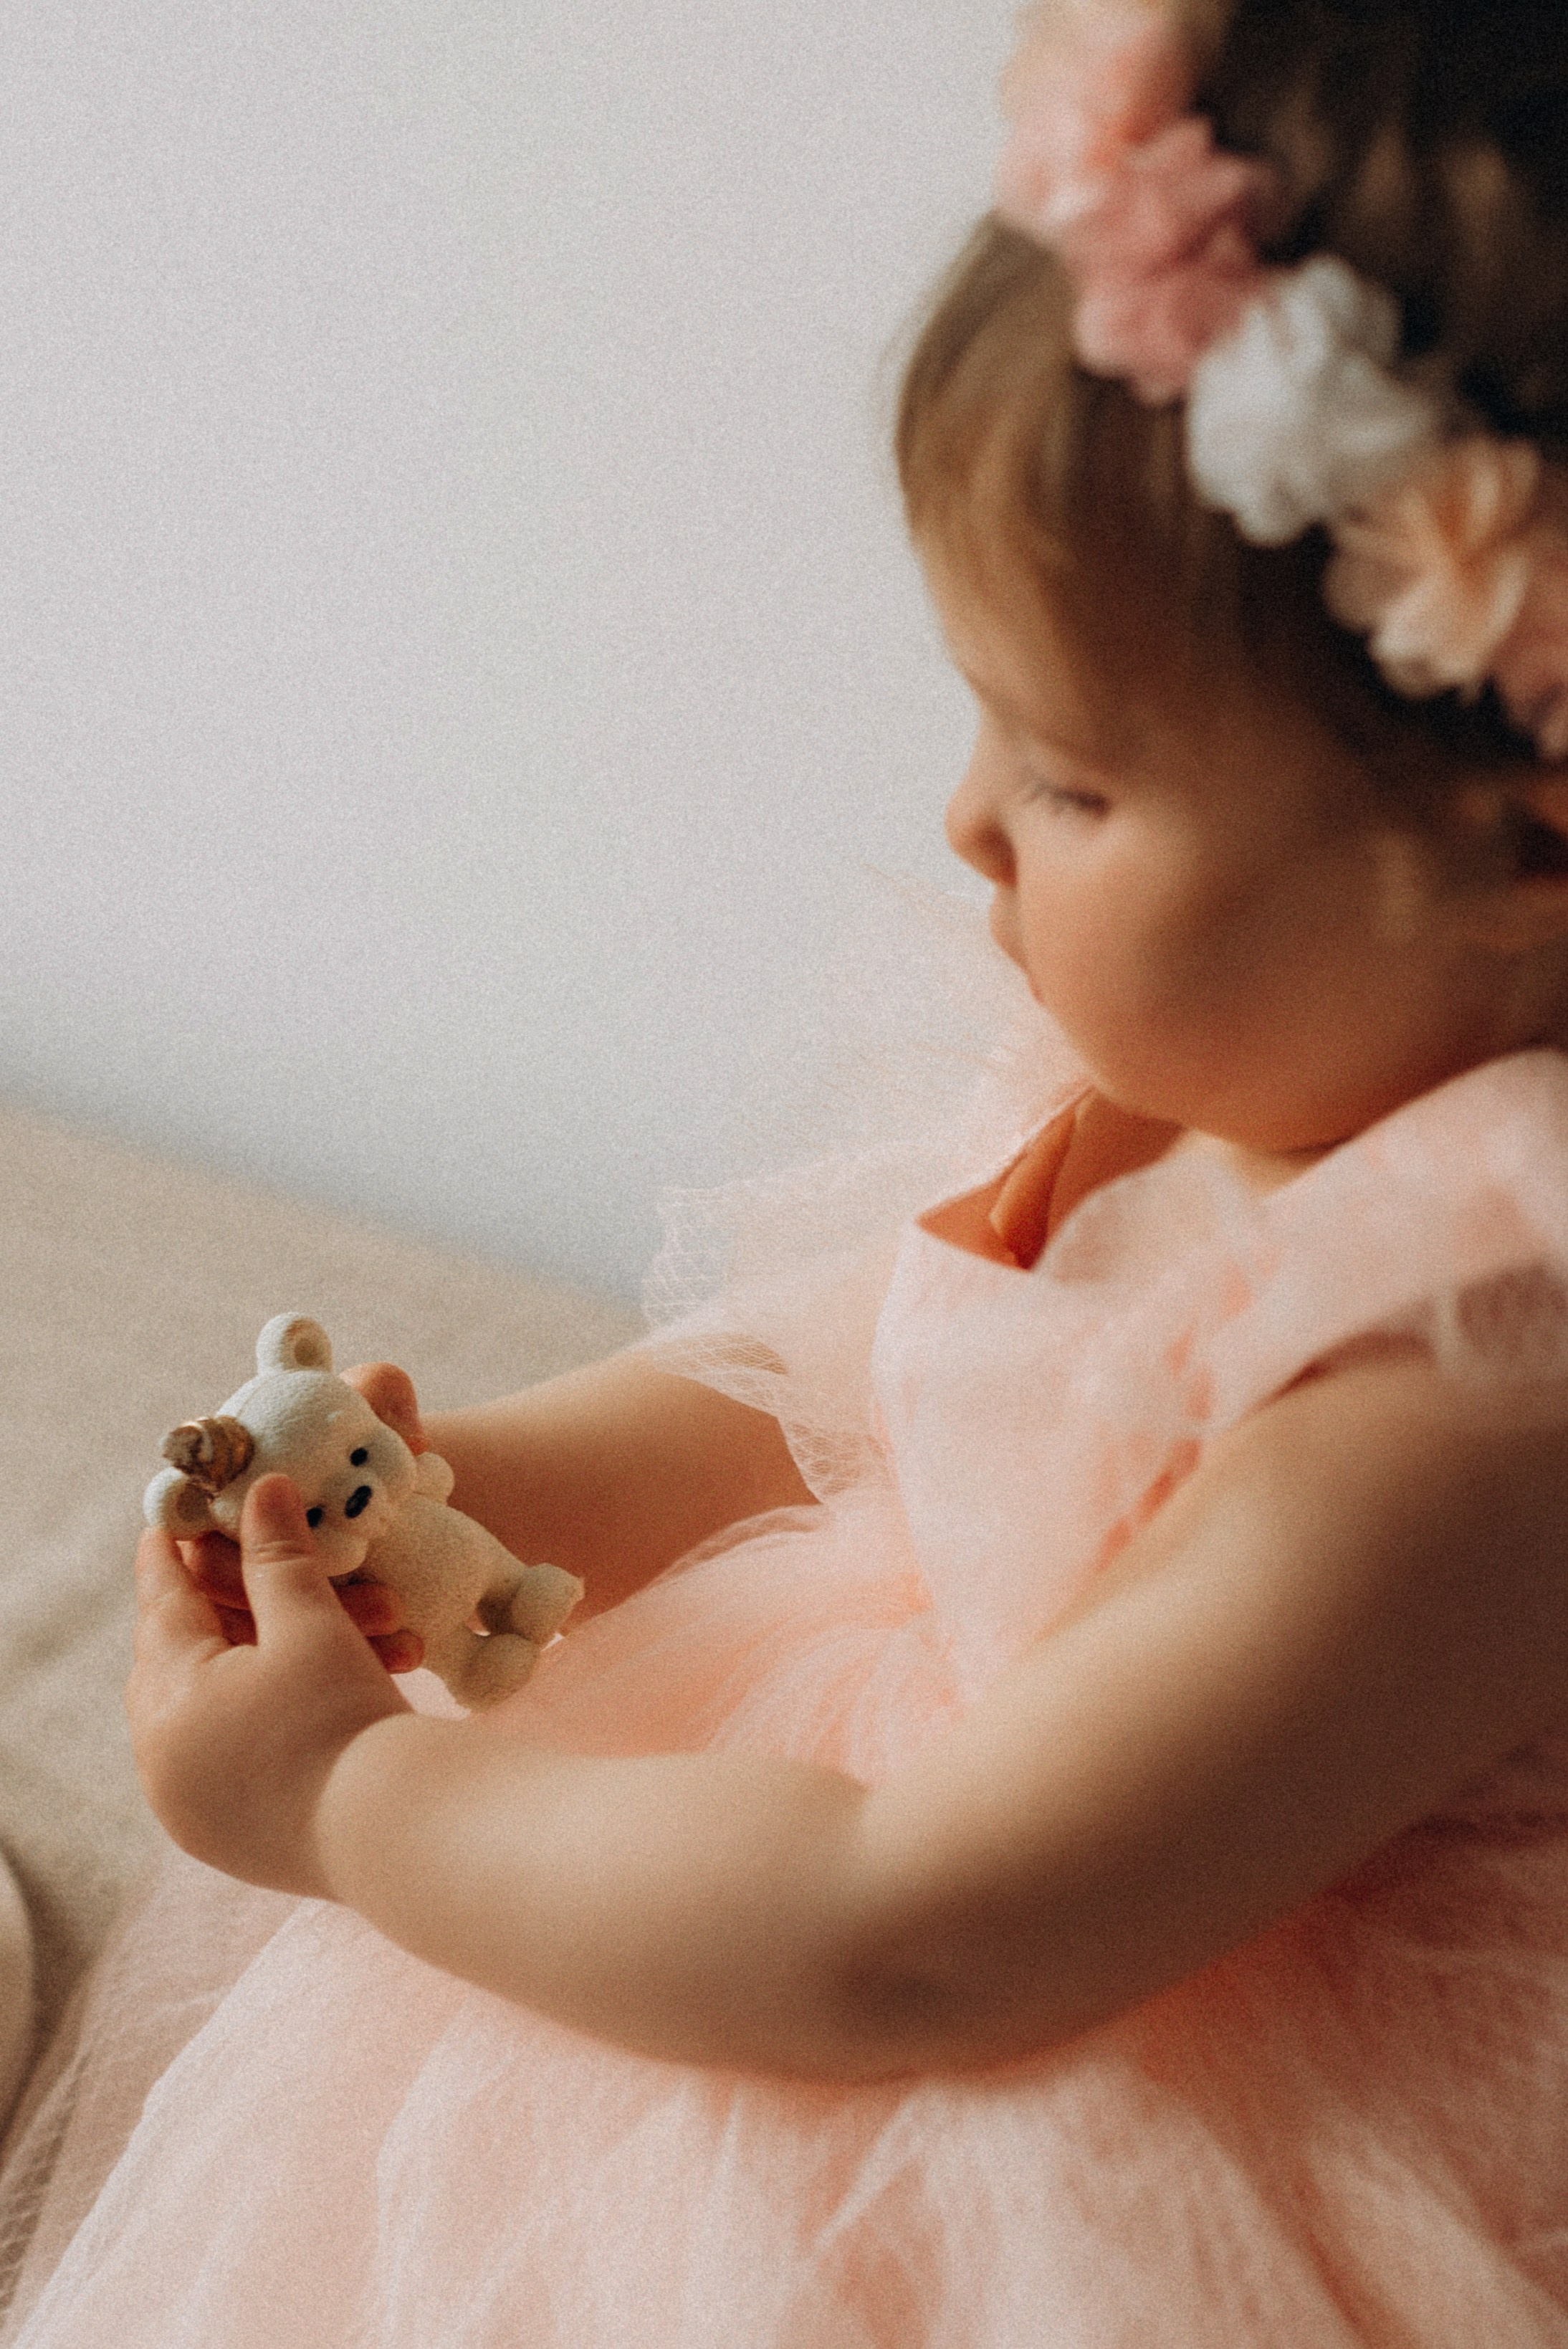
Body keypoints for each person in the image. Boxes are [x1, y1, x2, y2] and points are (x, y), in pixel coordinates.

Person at [9, 0, 1568, 2338]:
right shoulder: (1236, 1054)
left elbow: (916, 1927)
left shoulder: (1464, 1389)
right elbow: (857, 1378)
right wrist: (486, 1501)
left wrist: (346, 1809)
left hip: (1060, 2049)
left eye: (1064, 773)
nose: (959, 826)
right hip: (841, 1885)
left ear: (1517, 846)